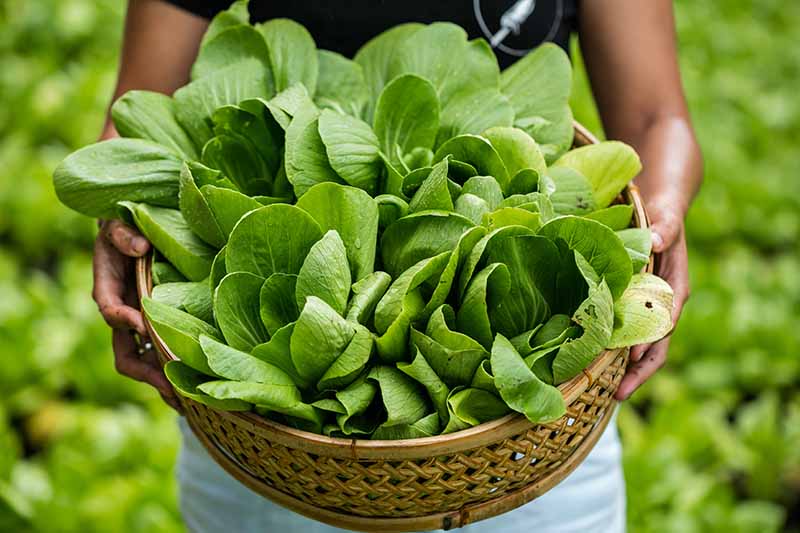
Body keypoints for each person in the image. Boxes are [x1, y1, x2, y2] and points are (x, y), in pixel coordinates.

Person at [93, 1, 703, 531]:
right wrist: (124, 219)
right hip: (269, 462)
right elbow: (136, 117)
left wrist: (665, 209)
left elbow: (657, 118)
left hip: (528, 461)